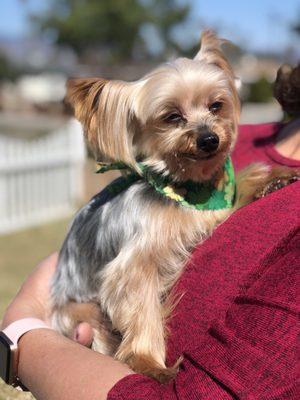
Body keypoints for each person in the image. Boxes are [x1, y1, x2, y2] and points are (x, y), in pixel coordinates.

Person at [1, 65, 299, 400]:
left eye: (215, 107)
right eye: (173, 118)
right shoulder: (159, 197)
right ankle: (141, 350)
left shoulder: (224, 170)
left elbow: (221, 213)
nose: (207, 131)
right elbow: (130, 275)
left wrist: (23, 328)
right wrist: (144, 359)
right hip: (82, 316)